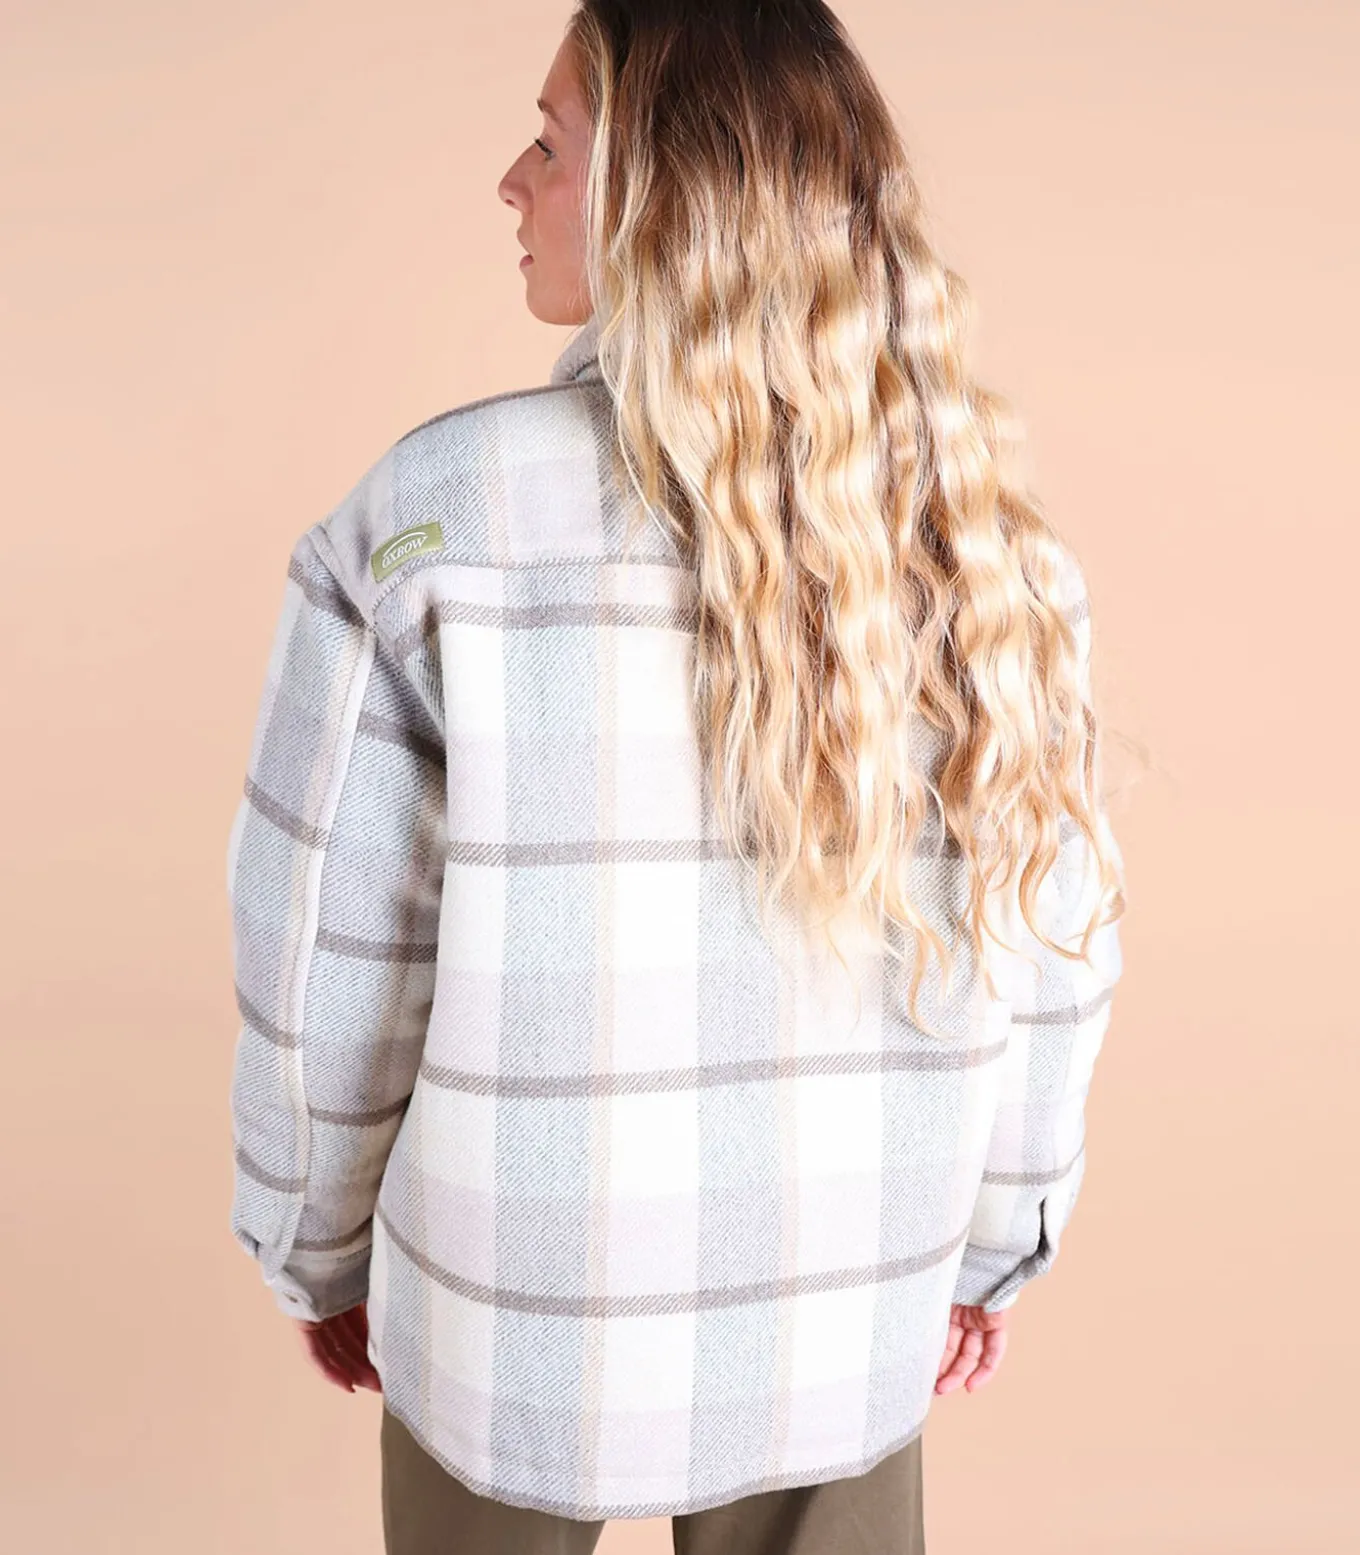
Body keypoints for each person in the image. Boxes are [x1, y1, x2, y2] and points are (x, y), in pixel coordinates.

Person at [225, 2, 1127, 1550]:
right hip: (849, 1292)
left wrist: (312, 1241)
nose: (512, 180)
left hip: (512, 1311)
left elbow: (325, 952)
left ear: (663, 184)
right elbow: (1053, 943)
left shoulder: (432, 521)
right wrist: (998, 1242)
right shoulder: (978, 543)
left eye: (552, 142)